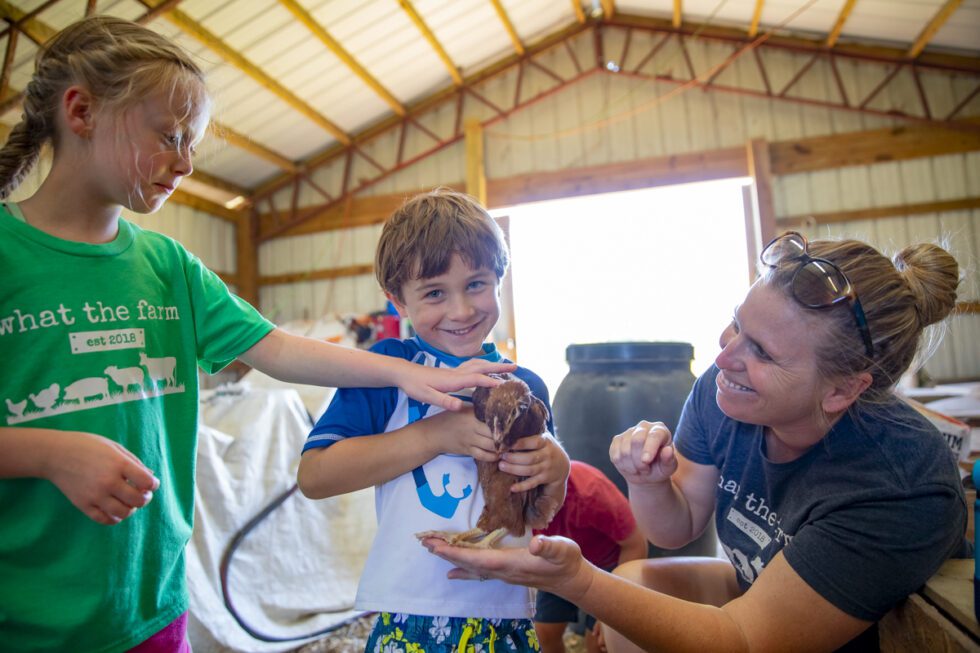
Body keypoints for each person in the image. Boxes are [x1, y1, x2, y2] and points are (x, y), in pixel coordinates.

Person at [0, 18, 513, 653]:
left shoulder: (167, 267)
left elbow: (274, 349)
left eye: (192, 143)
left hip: (151, 606)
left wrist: (408, 372)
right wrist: (48, 454)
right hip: (25, 617)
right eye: (169, 136)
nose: (186, 163)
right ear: (80, 111)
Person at [424, 231, 968, 652]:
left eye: (761, 352)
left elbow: (748, 641)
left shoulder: (897, 486)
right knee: (636, 581)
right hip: (757, 589)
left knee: (619, 594)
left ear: (843, 389)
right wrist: (649, 481)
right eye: (735, 325)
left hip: (833, 635)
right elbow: (675, 528)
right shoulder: (727, 391)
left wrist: (577, 582)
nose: (723, 356)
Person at [297, 188, 570, 653]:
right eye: (435, 293)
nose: (461, 310)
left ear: (500, 279)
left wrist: (557, 467)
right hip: (411, 610)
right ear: (398, 302)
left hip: (504, 611)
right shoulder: (387, 371)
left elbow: (545, 505)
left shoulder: (525, 386)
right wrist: (437, 435)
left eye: (477, 284)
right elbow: (316, 475)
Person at [533, 460, 646, 653]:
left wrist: (613, 610)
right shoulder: (515, 502)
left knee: (599, 640)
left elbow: (635, 543)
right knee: (543, 635)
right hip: (558, 561)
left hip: (607, 565)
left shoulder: (591, 492)